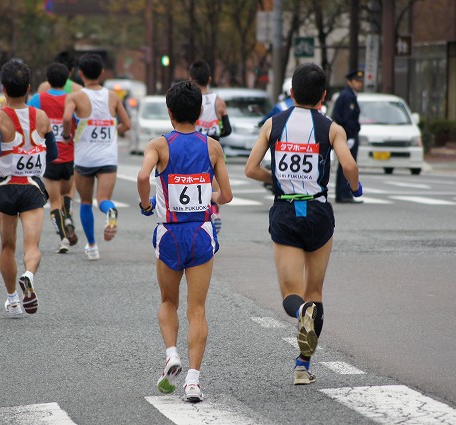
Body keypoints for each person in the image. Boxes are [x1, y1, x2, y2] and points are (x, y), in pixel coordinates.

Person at [245, 63, 362, 385]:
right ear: (323, 96)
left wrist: (278, 180)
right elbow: (349, 164)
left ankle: (300, 314)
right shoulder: (331, 127)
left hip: (286, 211)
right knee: (315, 291)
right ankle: (303, 366)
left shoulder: (273, 124)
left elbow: (251, 169)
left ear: (292, 93)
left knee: (292, 295)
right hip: (319, 213)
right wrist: (355, 188)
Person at [137, 80, 233, 402]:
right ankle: (193, 380)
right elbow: (228, 195)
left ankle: (171, 353)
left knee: (168, 301)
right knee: (198, 310)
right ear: (199, 112)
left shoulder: (160, 145)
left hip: (170, 234)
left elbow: (141, 177)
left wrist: (147, 204)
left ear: (169, 112)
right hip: (201, 232)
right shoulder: (212, 147)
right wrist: (210, 195)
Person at [0, 59, 58, 317]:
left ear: (3, 88)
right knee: (32, 247)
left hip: (6, 187)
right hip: (32, 187)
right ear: (28, 87)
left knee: (7, 246)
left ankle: (13, 300)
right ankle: (28, 275)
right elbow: (53, 153)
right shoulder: (42, 117)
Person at [62, 53, 131, 260]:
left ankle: (92, 246)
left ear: (80, 74)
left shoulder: (75, 97)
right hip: (108, 157)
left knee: (84, 201)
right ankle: (110, 211)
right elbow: (127, 124)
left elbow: (66, 117)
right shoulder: (112, 96)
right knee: (103, 199)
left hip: (84, 158)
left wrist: (67, 135)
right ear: (102, 73)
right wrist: (112, 131)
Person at [28, 63, 78, 252]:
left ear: (47, 80)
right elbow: (80, 124)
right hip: (69, 156)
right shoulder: (72, 100)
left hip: (49, 157)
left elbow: (28, 121)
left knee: (54, 201)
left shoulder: (37, 99)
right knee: (67, 193)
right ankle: (68, 217)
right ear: (66, 81)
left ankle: (64, 239)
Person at [188, 59, 232, 233]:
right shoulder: (219, 102)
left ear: (191, 79)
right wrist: (215, 128)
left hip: (194, 145)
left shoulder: (190, 99)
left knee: (195, 185)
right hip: (214, 146)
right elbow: (227, 129)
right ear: (210, 78)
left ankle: (203, 218)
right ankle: (214, 212)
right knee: (215, 186)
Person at [332, 69, 363, 204]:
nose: (359, 84)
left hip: (345, 136)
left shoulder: (348, 95)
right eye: (356, 81)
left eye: (360, 81)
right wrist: (349, 137)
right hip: (347, 136)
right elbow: (348, 119)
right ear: (349, 82)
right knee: (347, 165)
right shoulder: (348, 96)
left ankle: (342, 193)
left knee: (344, 165)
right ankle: (344, 194)